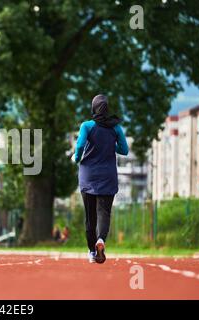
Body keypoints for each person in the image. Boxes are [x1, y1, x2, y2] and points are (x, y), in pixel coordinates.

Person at [73, 94, 128, 264]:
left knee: (90, 216)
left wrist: (76, 157)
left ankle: (91, 252)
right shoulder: (115, 128)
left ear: (93, 107)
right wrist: (111, 145)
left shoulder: (87, 126)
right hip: (108, 176)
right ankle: (101, 241)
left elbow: (80, 145)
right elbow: (124, 150)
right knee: (104, 212)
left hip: (88, 175)